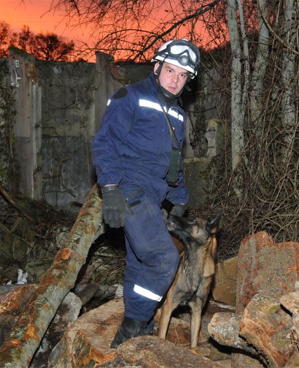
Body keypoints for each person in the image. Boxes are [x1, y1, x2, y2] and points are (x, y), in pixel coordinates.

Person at [92, 39, 201, 348]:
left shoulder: (177, 113)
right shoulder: (131, 97)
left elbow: (173, 160)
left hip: (152, 194)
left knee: (140, 263)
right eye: (170, 70)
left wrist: (180, 197)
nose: (175, 79)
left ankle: (131, 337)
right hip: (129, 187)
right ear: (157, 67)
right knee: (164, 258)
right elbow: (105, 142)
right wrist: (110, 188)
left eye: (182, 75)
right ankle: (133, 326)